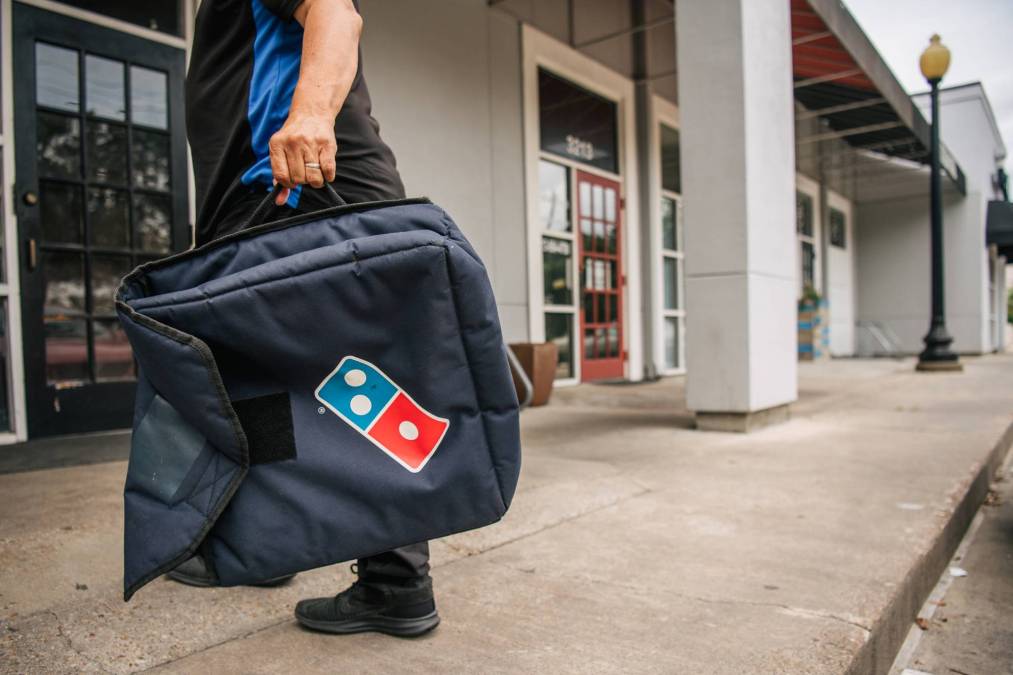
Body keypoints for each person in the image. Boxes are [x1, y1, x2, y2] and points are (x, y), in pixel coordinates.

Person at [169, 0, 439, 637]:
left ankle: (396, 581)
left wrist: (312, 115)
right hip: (273, 197)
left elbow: (336, 14)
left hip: (299, 188)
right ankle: (274, 544)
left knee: (362, 388)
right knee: (265, 388)